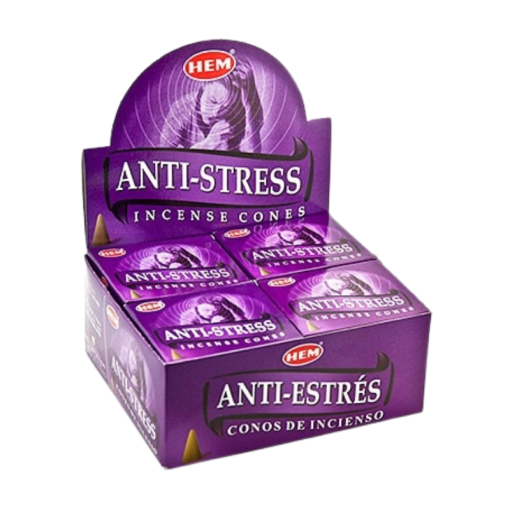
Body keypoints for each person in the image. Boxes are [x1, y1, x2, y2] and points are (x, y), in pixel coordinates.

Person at [160, 59, 263, 152]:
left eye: (225, 107)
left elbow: (252, 156)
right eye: (213, 101)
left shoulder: (240, 109)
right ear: (204, 85)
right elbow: (164, 158)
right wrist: (209, 143)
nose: (214, 113)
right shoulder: (182, 108)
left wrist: (249, 100)